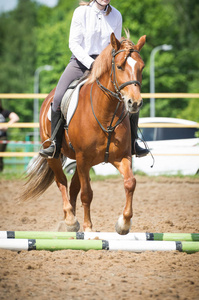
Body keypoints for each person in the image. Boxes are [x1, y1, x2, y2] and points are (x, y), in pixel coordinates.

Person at [39, 0, 149, 159]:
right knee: (58, 97)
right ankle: (55, 143)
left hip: (107, 65)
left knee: (131, 95)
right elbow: (74, 44)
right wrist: (92, 64)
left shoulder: (116, 15)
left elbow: (115, 46)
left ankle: (133, 143)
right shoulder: (81, 12)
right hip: (80, 63)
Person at [0, 100, 19, 172]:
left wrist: (6, 126)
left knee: (0, 156)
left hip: (2, 137)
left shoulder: (4, 112)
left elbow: (16, 118)